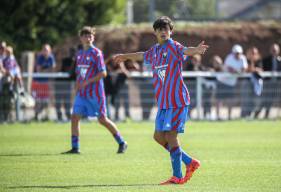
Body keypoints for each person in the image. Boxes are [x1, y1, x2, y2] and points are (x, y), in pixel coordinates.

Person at [114, 16, 208, 184]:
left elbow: (186, 50)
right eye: (160, 29)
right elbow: (142, 55)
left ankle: (177, 177)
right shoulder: (155, 51)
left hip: (177, 100)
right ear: (155, 32)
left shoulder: (174, 47)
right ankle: (189, 162)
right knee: (158, 136)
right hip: (164, 103)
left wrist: (197, 50)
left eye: (166, 29)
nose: (163, 32)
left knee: (171, 136)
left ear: (170, 32)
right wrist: (125, 56)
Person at [62, 26, 127, 154]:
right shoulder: (79, 54)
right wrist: (78, 84)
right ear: (80, 38)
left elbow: (103, 73)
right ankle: (75, 147)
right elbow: (79, 73)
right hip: (82, 93)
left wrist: (86, 82)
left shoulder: (96, 53)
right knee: (74, 117)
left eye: (90, 35)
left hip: (95, 94)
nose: (88, 38)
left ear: (93, 37)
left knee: (102, 120)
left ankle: (122, 142)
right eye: (85, 35)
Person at [216, 44, 248, 120]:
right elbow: (230, 70)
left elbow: (244, 69)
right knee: (219, 100)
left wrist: (237, 71)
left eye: (239, 53)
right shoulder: (229, 58)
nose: (238, 54)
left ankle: (229, 116)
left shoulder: (243, 58)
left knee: (230, 100)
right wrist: (237, 71)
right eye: (236, 53)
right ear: (233, 53)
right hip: (222, 81)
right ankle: (218, 116)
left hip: (231, 83)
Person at [254, 43, 281, 118]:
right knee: (265, 100)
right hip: (267, 84)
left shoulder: (279, 61)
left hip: (276, 84)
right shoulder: (266, 60)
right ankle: (256, 114)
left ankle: (266, 115)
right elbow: (262, 69)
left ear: (278, 51)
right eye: (273, 50)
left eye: (275, 50)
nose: (274, 51)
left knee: (271, 101)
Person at [31, 44, 56, 121]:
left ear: (50, 51)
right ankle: (36, 115)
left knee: (46, 101)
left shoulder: (51, 57)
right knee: (38, 100)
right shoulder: (40, 57)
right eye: (44, 50)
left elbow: (53, 68)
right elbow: (39, 70)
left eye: (47, 50)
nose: (45, 51)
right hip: (38, 82)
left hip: (46, 83)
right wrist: (47, 70)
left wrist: (45, 70)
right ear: (42, 51)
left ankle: (44, 116)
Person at [54, 47, 76, 122]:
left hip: (68, 84)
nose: (72, 54)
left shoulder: (76, 62)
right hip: (59, 83)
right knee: (58, 101)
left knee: (67, 101)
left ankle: (68, 116)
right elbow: (61, 70)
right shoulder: (65, 60)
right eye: (71, 52)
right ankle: (59, 116)